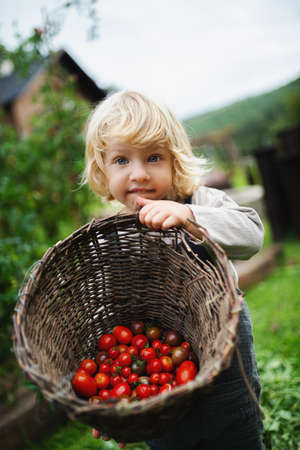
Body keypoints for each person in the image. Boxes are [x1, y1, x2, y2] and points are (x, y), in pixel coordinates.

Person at [82, 90, 265, 450]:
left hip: (227, 362)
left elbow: (251, 235)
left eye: (153, 158)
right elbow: (115, 316)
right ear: (102, 169)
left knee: (237, 434)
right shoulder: (113, 238)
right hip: (162, 378)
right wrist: (108, 403)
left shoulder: (201, 202)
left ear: (174, 162)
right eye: (121, 160)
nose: (139, 174)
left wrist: (191, 218)